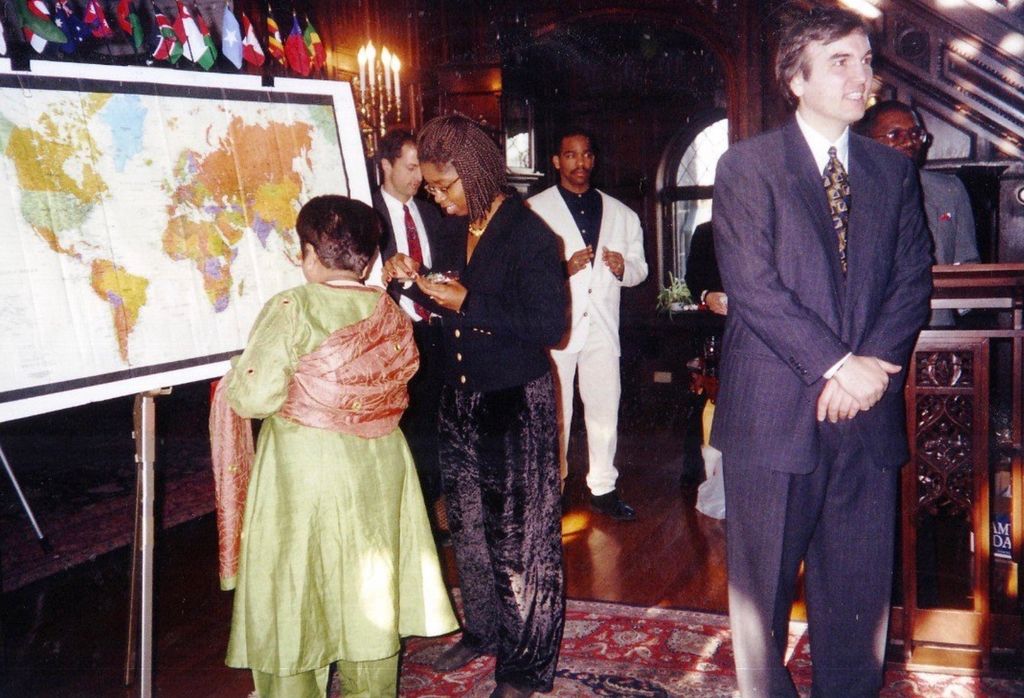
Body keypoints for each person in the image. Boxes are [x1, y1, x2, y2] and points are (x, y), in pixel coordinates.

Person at [711, 7, 932, 697]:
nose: (861, 75)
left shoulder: (891, 174)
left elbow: (912, 279)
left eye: (866, 60)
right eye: (840, 60)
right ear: (794, 78)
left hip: (864, 418)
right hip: (774, 415)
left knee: (858, 601)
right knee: (760, 605)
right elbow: (754, 286)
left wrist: (867, 372)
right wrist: (841, 363)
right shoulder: (746, 166)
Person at [212, 195, 458, 697]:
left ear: (306, 253)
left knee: (297, 588)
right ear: (368, 259)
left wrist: (236, 372)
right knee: (369, 589)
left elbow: (255, 396)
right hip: (380, 466)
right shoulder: (389, 313)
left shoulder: (293, 306)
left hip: (307, 470)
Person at [382, 114, 568, 698]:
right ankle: (483, 631)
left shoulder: (532, 237)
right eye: (431, 186)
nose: (436, 196)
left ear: (479, 173)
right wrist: (407, 282)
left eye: (445, 184)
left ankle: (525, 668)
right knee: (466, 525)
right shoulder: (452, 227)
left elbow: (551, 326)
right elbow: (449, 304)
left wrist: (471, 300)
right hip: (461, 398)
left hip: (514, 400)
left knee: (519, 541)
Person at [527, 128, 648, 521]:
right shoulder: (534, 210)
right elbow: (523, 273)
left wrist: (623, 268)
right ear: (557, 161)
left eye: (586, 155)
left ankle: (603, 488)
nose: (579, 163)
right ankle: (554, 487)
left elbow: (640, 269)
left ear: (593, 160)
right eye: (570, 155)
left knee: (603, 406)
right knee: (556, 410)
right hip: (558, 325)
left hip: (602, 326)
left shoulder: (622, 214)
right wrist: (564, 268)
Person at [372, 128, 448, 532]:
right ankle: (401, 520)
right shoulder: (365, 214)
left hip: (432, 332)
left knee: (433, 427)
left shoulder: (431, 212)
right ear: (385, 165)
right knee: (398, 430)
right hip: (389, 338)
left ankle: (431, 517)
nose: (420, 176)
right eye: (411, 166)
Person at [857, 99, 981, 326]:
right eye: (896, 135)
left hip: (936, 328)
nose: (909, 142)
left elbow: (966, 261)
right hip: (871, 329)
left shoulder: (949, 190)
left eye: (915, 133)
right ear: (866, 143)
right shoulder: (849, 193)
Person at [684, 220, 726, 519]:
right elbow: (692, 280)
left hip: (757, 331)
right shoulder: (704, 231)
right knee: (706, 399)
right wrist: (707, 295)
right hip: (713, 332)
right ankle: (698, 472)